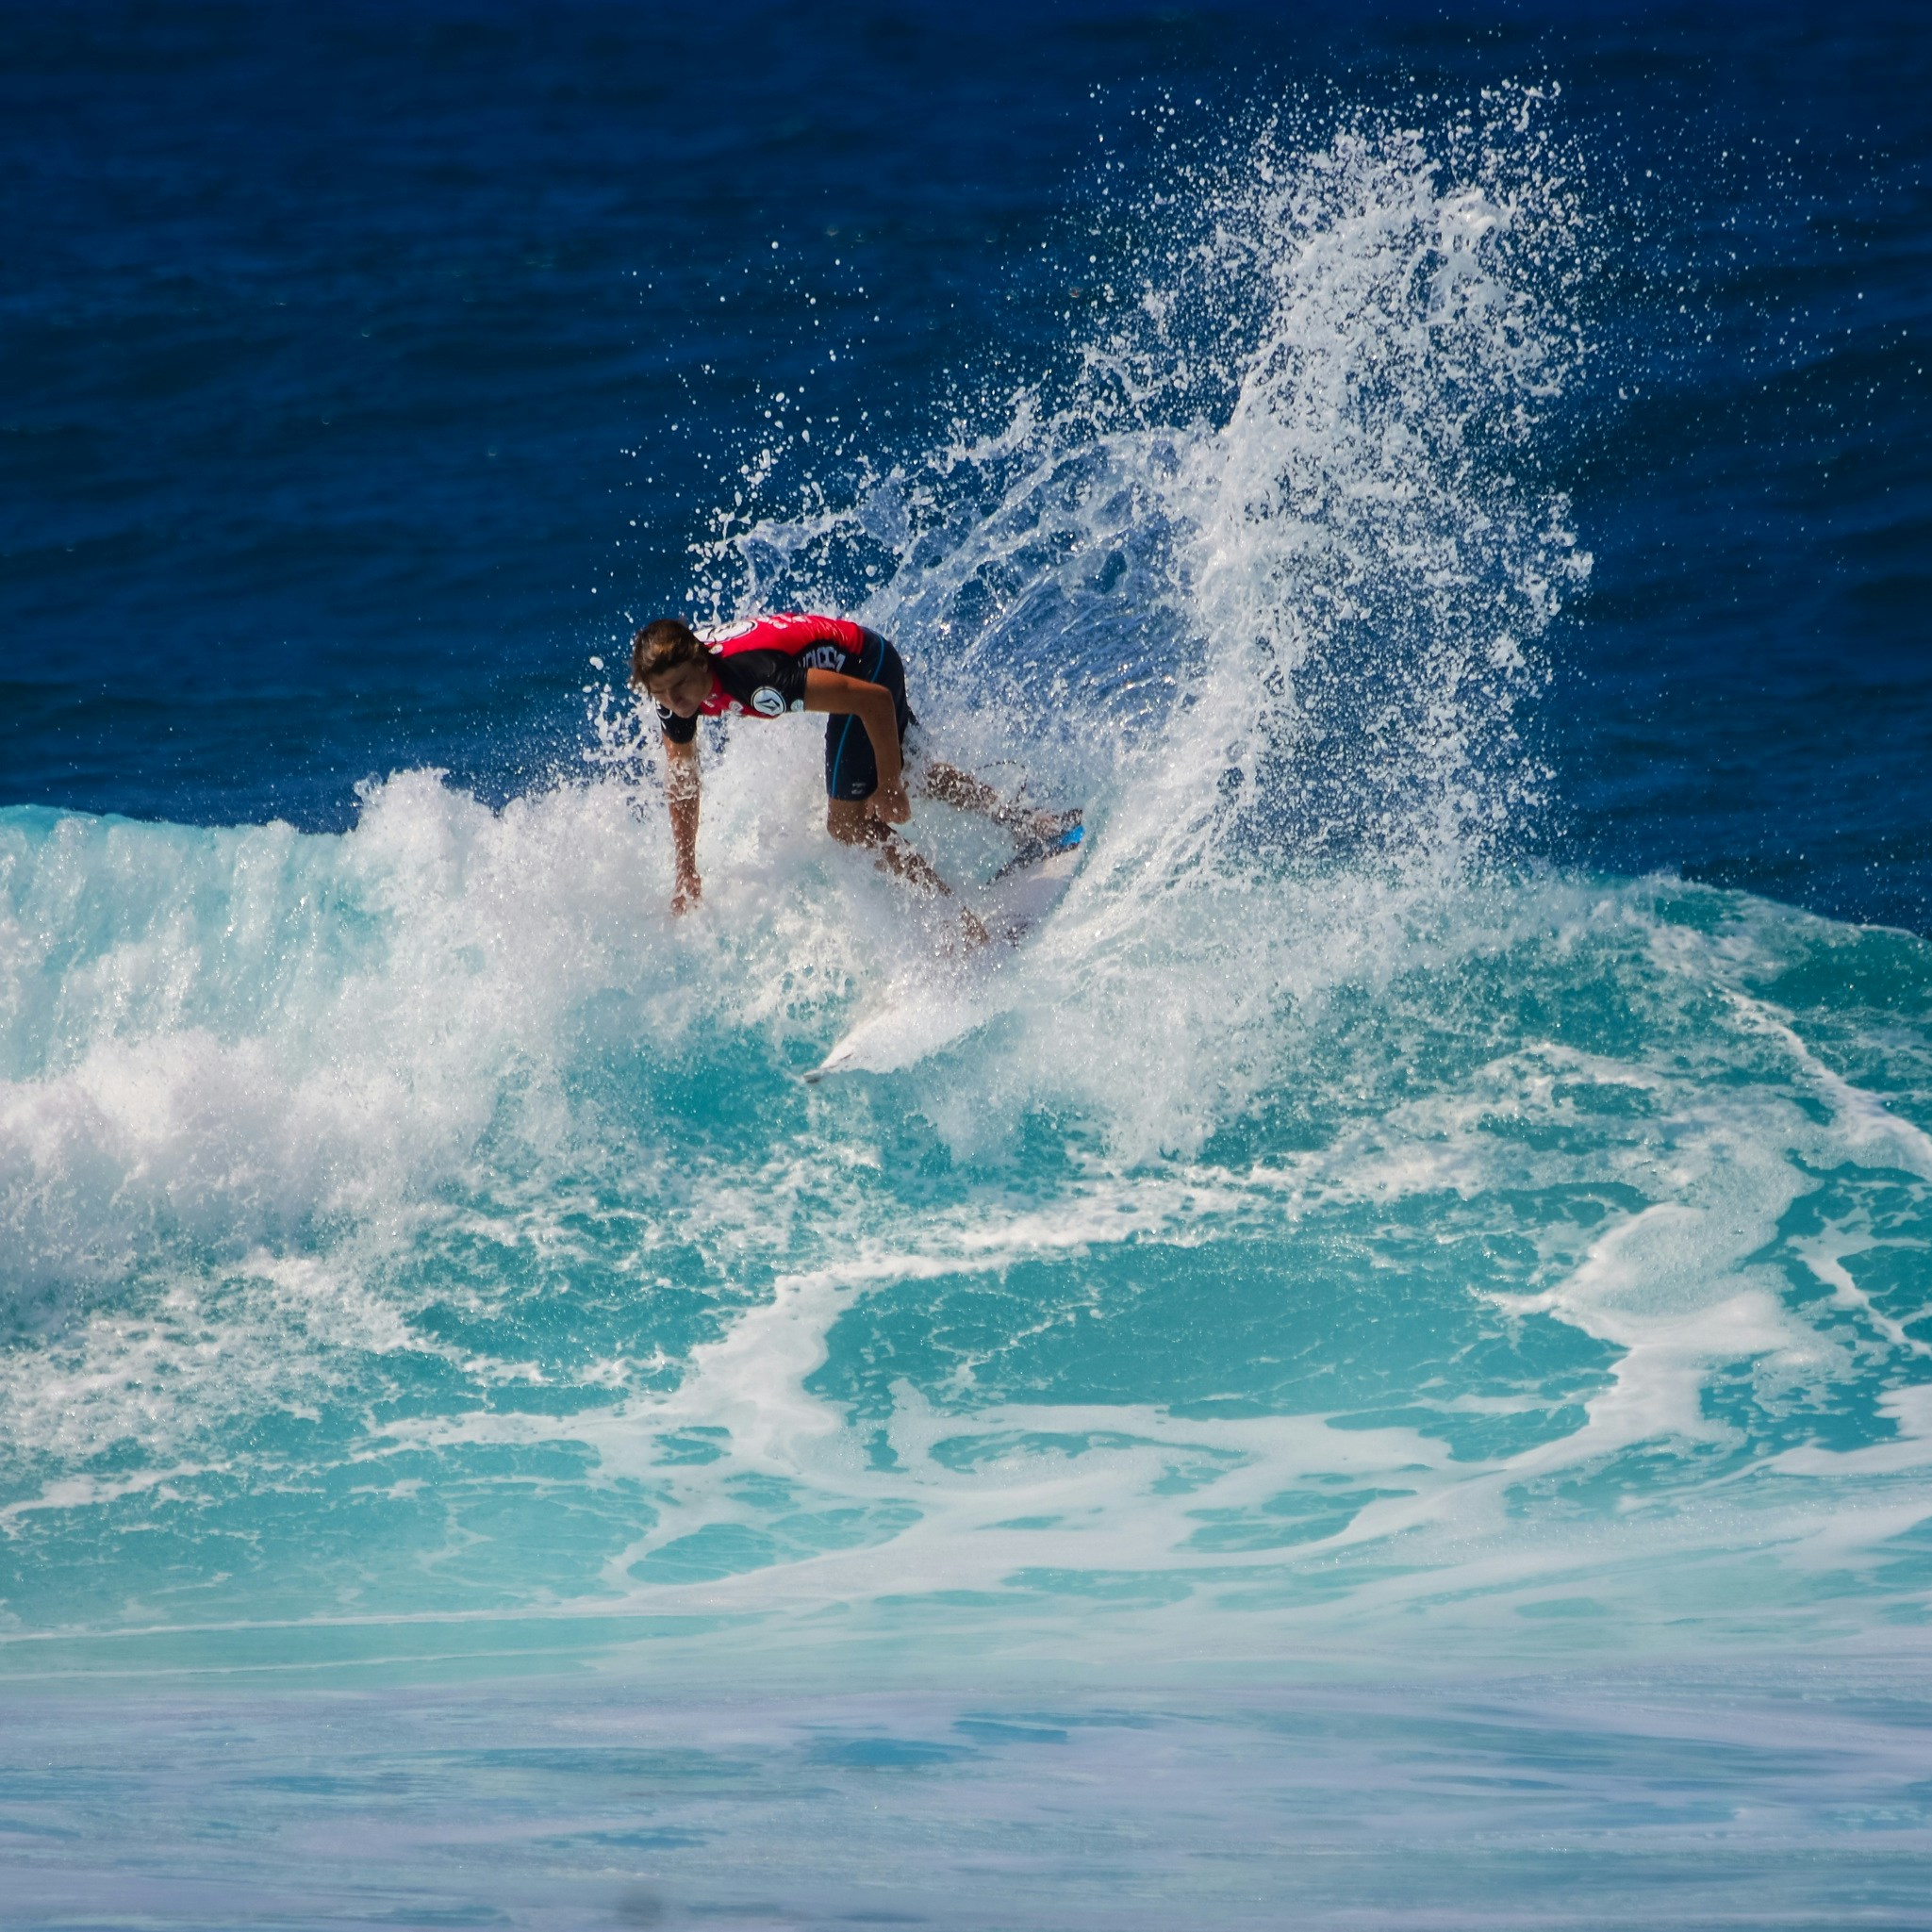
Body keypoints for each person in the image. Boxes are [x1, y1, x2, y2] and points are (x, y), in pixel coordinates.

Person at [629, 612, 1071, 935]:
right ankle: (1029, 824)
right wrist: (686, 869)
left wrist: (889, 784)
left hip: (869, 668)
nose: (674, 699)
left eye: (681, 685)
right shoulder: (673, 695)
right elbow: (682, 779)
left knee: (849, 825)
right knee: (915, 770)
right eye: (661, 693)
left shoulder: (758, 681)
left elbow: (874, 701)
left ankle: (960, 924)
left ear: (702, 665)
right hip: (862, 665)